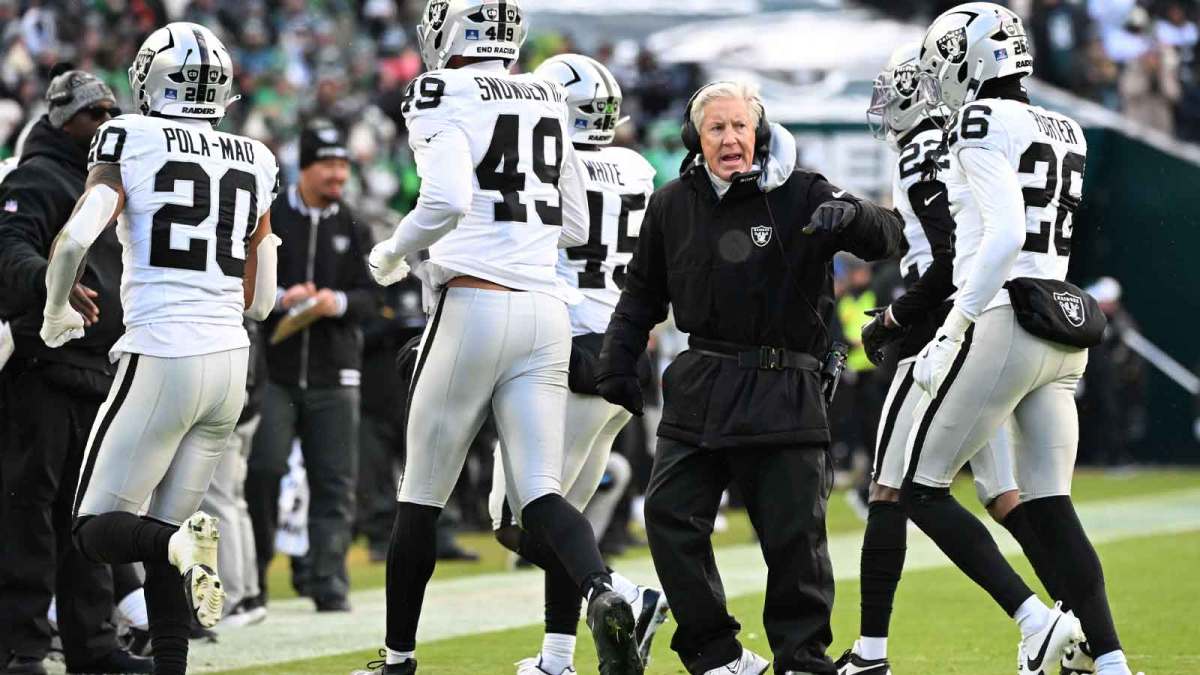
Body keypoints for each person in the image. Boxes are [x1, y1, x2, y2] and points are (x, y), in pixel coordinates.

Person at [361, 1, 643, 673]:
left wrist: (394, 251)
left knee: (420, 493)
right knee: (541, 492)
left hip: (476, 303)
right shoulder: (545, 93)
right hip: (545, 313)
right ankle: (607, 587)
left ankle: (398, 657)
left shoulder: (440, 90)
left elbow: (448, 199)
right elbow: (573, 222)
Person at [598, 79, 904, 675]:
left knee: (795, 544)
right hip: (701, 384)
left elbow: (888, 236)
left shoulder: (802, 189)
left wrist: (856, 215)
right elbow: (640, 296)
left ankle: (800, 659)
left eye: (741, 126)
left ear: (758, 132)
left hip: (785, 387)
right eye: (717, 128)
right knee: (668, 518)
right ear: (696, 138)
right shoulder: (669, 205)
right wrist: (617, 358)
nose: (731, 138)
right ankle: (716, 653)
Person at [903, 4, 1136, 675]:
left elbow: (1003, 236)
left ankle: (1035, 623)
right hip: (1062, 325)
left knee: (921, 485)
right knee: (1052, 504)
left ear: (974, 57)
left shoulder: (981, 120)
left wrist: (953, 327)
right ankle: (1113, 660)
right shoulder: (1067, 127)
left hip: (1003, 318)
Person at [41, 22, 281, 675]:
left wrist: (56, 306)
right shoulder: (255, 156)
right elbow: (263, 299)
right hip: (231, 361)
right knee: (166, 544)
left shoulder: (127, 136)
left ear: (149, 78)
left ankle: (179, 541)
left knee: (94, 526)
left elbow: (72, 240)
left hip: (161, 351)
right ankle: (172, 660)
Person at [834, 42, 1066, 675]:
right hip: (978, 323)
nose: (884, 106)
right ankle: (1069, 619)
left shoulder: (923, 149)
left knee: (890, 487)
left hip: (943, 333)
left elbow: (946, 253)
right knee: (1002, 497)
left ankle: (877, 653)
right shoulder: (965, 135)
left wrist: (899, 316)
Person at [486, 53, 669, 675]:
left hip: (565, 354)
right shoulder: (638, 169)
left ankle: (621, 591)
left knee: (519, 521)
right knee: (570, 516)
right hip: (624, 357)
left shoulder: (551, 166)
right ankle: (557, 657)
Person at [0, 67, 152, 675]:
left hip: (95, 370)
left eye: (112, 112)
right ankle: (22, 649)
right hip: (43, 369)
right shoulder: (37, 178)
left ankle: (93, 649)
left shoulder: (111, 181)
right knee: (29, 514)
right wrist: (49, 281)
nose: (105, 124)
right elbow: (10, 251)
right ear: (65, 123)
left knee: (88, 522)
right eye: (94, 115)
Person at [245, 118, 379, 612]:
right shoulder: (271, 217)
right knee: (262, 470)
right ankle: (252, 579)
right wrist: (280, 298)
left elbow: (373, 298)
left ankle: (328, 582)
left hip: (335, 372)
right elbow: (243, 280)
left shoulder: (356, 226)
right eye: (328, 164)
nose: (338, 175)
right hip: (275, 372)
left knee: (334, 480)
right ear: (304, 166)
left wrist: (335, 302)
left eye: (343, 165)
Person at [201, 318, 268, 629]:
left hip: (232, 394)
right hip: (246, 394)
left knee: (219, 501)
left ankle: (231, 598)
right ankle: (249, 594)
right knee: (233, 501)